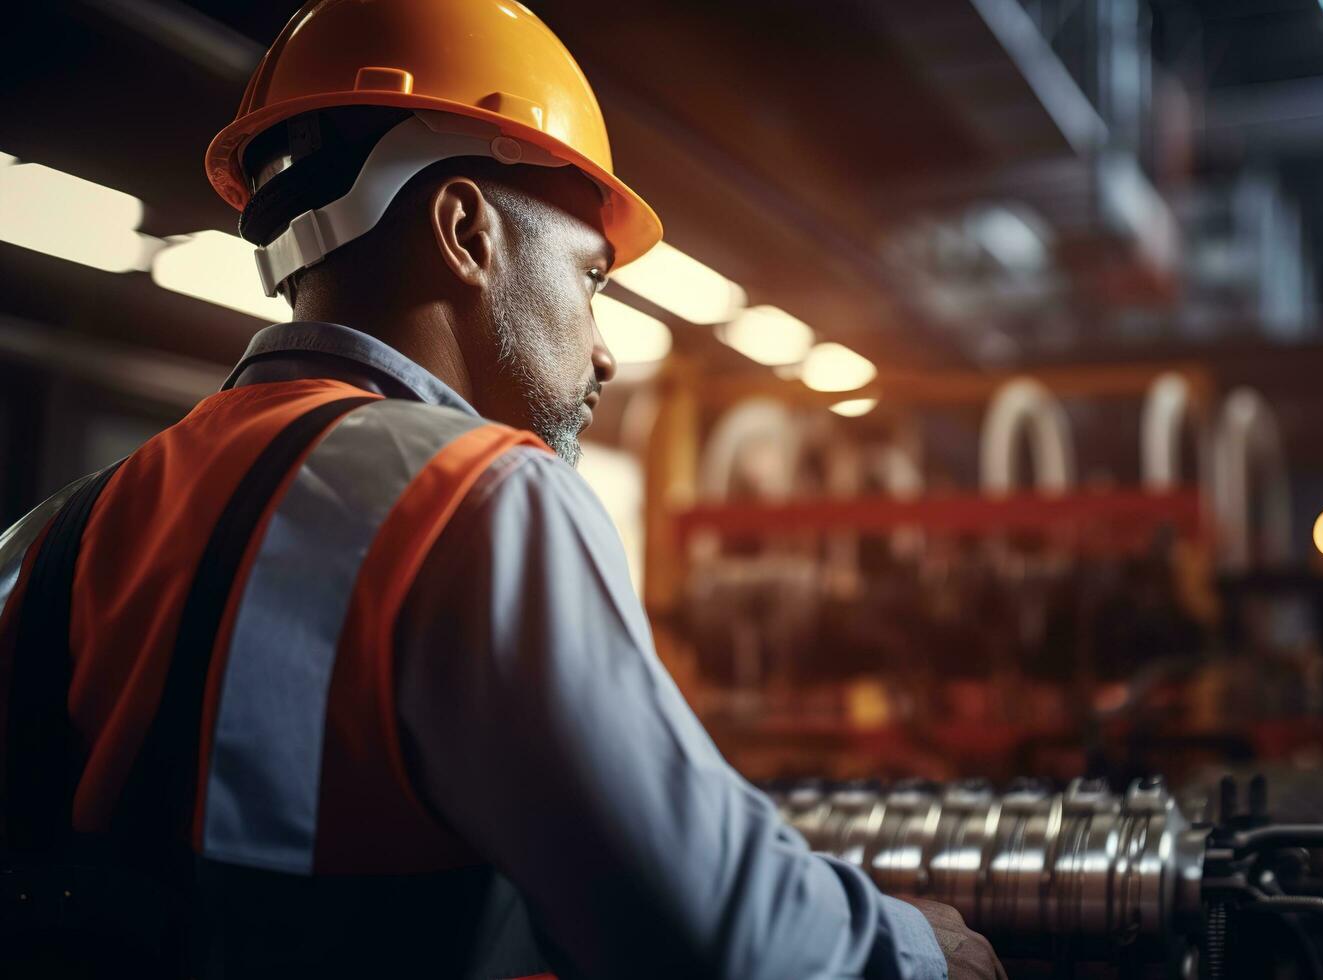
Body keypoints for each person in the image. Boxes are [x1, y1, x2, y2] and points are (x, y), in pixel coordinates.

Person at [0, 1, 1003, 977]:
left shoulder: (52, 533)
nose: (607, 351)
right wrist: (914, 950)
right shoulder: (473, 499)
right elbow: (697, 928)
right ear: (468, 230)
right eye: (595, 277)